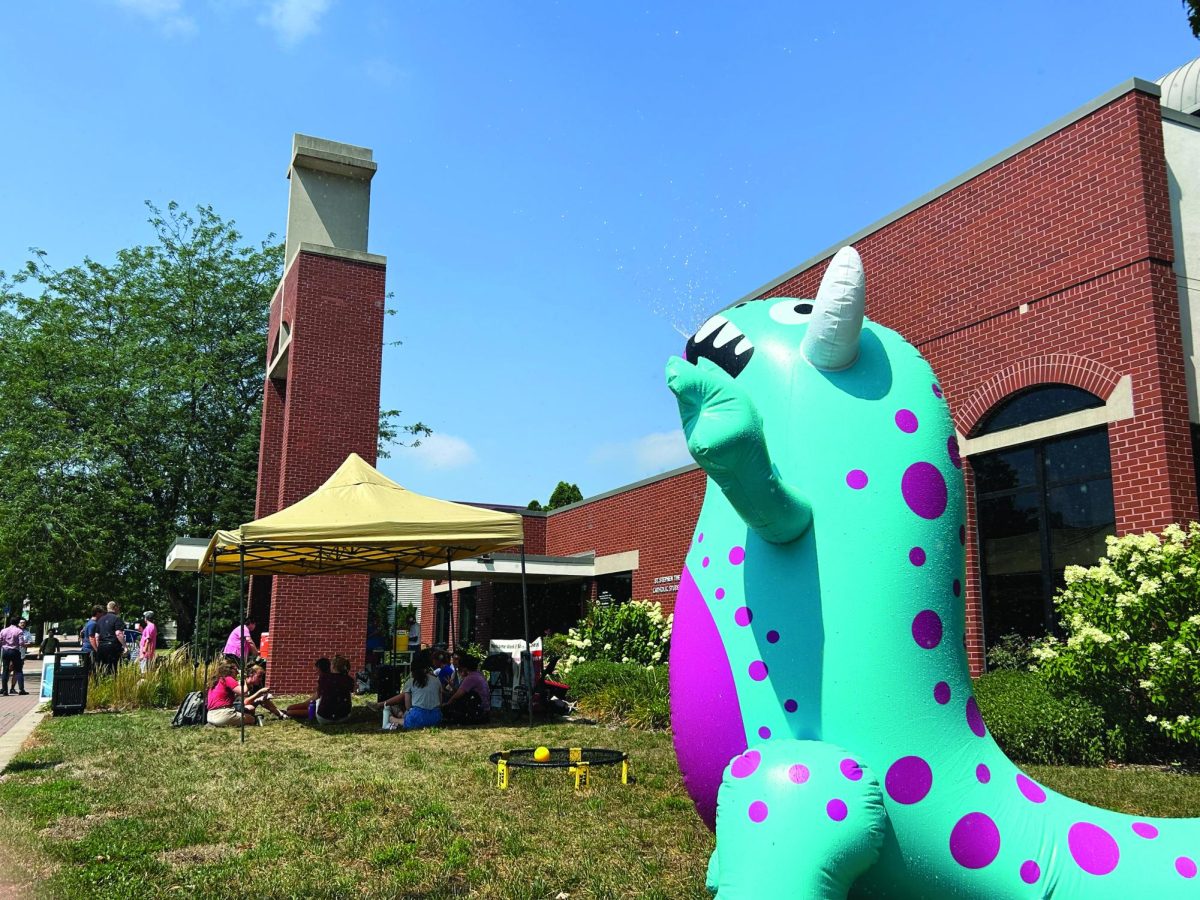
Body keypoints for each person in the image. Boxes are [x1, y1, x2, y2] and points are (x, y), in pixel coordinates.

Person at [370, 648, 442, 730]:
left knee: (394, 716)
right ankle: (395, 713)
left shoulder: (411, 682)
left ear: (412, 671)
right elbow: (440, 702)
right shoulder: (437, 680)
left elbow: (408, 706)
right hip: (436, 718)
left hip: (417, 716)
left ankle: (391, 718)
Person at [441, 652, 490, 725]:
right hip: (485, 710)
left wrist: (447, 704)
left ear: (465, 667)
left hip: (478, 712)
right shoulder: (479, 674)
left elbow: (458, 695)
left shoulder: (470, 678)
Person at [205, 660, 256, 728]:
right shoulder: (227, 678)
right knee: (252, 719)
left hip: (210, 716)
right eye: (236, 669)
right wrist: (246, 682)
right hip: (223, 715)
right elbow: (243, 692)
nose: (237, 672)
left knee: (248, 708)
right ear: (230, 670)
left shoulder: (215, 681)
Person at [312, 655, 355, 725]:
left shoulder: (324, 678)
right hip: (343, 718)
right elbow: (352, 691)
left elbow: (319, 695)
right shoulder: (349, 679)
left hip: (323, 718)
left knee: (316, 702)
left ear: (333, 666)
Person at [91, 602, 127, 674]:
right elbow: (118, 633)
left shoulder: (100, 620)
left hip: (101, 647)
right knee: (113, 670)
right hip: (112, 647)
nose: (119, 609)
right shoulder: (117, 619)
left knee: (102, 670)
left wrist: (99, 648)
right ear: (115, 607)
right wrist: (125, 646)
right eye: (118, 607)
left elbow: (97, 636)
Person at [0, 617, 27, 695]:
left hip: (5, 651)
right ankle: (21, 689)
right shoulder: (19, 631)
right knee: (18, 670)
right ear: (17, 623)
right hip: (15, 651)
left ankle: (4, 690)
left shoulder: (3, 630)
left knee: (5, 670)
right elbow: (21, 643)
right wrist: (25, 645)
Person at [80, 606, 103, 673]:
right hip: (90, 651)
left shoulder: (89, 622)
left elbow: (82, 632)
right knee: (92, 671)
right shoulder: (93, 624)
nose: (103, 615)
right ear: (97, 613)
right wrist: (97, 651)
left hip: (87, 649)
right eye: (102, 613)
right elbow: (92, 638)